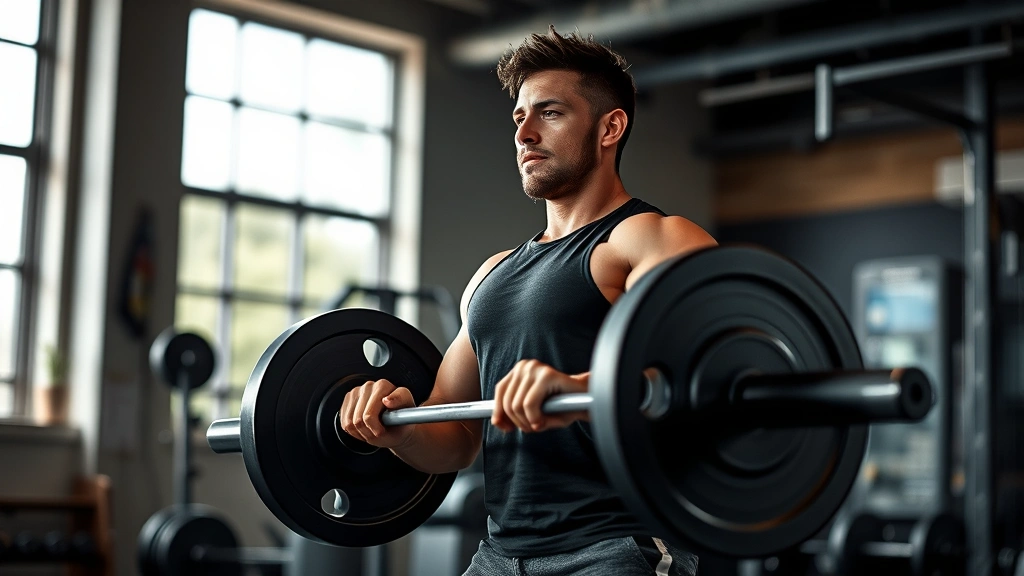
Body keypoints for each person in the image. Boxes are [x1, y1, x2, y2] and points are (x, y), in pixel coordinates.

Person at [339, 25, 717, 576]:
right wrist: (397, 427)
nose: (525, 133)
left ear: (610, 127)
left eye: (552, 113)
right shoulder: (492, 274)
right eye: (519, 117)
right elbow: (456, 434)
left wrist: (576, 388)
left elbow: (689, 379)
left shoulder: (651, 239)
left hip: (615, 547)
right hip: (499, 555)